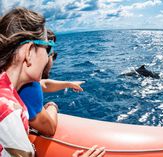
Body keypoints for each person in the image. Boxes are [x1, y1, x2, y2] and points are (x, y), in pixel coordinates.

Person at [0, 7, 105, 157]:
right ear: (29, 52)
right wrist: (52, 105)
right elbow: (48, 128)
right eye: (47, 48)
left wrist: (68, 83)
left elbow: (44, 84)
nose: (49, 56)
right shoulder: (8, 115)